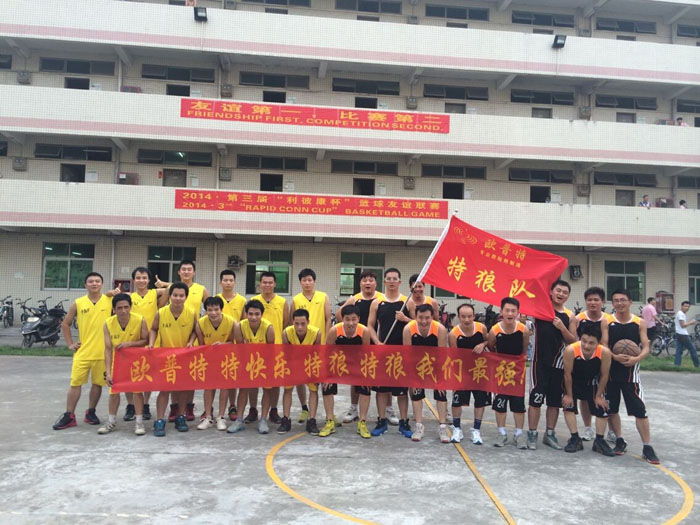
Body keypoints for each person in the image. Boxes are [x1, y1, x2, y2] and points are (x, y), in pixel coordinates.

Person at [54, 272, 116, 430]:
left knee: (97, 384)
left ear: (102, 284)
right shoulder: (78, 303)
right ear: (85, 285)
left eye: (97, 281)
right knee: (75, 383)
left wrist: (114, 293)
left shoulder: (110, 300)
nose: (94, 283)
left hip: (103, 353)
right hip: (83, 352)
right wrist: (70, 344)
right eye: (91, 281)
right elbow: (65, 324)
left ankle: (91, 412)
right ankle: (69, 415)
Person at [606, 289, 659, 464]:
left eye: (623, 300)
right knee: (612, 409)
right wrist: (614, 356)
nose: (619, 303)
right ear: (612, 303)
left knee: (640, 411)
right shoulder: (607, 321)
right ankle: (619, 440)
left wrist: (636, 359)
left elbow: (645, 346)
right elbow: (603, 345)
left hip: (631, 374)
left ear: (630, 302)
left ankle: (647, 446)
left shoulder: (639, 322)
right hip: (611, 372)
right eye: (616, 300)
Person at [155, 260, 210, 422]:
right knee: (172, 375)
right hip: (171, 338)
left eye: (189, 269)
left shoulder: (201, 289)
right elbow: (160, 306)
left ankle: (188, 407)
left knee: (188, 377)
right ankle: (174, 407)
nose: (186, 272)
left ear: (194, 272)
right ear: (179, 272)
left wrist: (202, 326)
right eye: (183, 269)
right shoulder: (171, 289)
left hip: (190, 340)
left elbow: (210, 307)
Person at [527, 280, 577, 451]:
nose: (561, 294)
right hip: (539, 363)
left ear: (568, 296)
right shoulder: (540, 309)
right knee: (535, 400)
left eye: (565, 292)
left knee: (554, 402)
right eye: (558, 290)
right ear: (551, 292)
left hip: (559, 363)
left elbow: (573, 341)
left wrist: (562, 328)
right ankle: (532, 433)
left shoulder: (570, 316)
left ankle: (550, 434)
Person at [148, 282, 197, 437]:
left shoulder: (191, 313)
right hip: (166, 358)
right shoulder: (161, 313)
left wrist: (191, 342)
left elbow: (195, 331)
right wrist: (151, 343)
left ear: (186, 297)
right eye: (175, 295)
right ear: (170, 296)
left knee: (182, 390)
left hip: (184, 357)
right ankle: (159, 420)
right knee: (164, 390)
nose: (178, 298)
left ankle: (180, 417)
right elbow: (153, 329)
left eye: (181, 295)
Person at [367, 268, 412, 438]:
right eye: (389, 279)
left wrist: (405, 319)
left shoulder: (407, 302)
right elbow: (370, 325)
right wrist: (377, 342)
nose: (392, 281)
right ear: (384, 282)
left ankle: (404, 422)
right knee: (381, 390)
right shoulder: (377, 303)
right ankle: (381, 421)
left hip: (402, 354)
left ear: (400, 282)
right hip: (383, 352)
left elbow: (418, 323)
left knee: (402, 391)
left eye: (395, 279)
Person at [337, 270, 385, 424]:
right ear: (360, 283)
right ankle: (353, 408)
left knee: (383, 378)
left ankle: (388, 410)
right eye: (365, 280)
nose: (368, 283)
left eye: (371, 280)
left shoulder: (382, 299)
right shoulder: (354, 299)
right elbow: (339, 314)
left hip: (377, 342)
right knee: (356, 377)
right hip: (357, 344)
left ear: (376, 283)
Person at [98, 294, 149, 435]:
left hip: (136, 363)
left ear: (131, 307)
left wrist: (129, 344)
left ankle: (139, 423)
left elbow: (145, 340)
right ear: (114, 309)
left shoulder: (140, 320)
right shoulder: (108, 323)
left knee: (137, 392)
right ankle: (111, 421)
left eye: (126, 307)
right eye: (119, 308)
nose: (123, 310)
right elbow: (108, 349)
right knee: (114, 392)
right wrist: (108, 372)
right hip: (118, 363)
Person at [561, 324, 615, 456]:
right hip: (573, 381)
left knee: (602, 406)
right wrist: (569, 395)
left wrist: (598, 396)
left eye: (591, 343)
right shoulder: (570, 350)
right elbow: (567, 374)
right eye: (584, 341)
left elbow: (604, 375)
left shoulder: (604, 352)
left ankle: (599, 441)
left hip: (592, 382)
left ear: (598, 343)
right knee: (568, 405)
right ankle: (575, 438)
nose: (586, 345)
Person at [324, 305, 372, 438]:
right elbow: (327, 353)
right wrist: (328, 375)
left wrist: (366, 374)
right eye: (347, 319)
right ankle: (329, 421)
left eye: (353, 319)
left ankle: (362, 422)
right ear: (342, 319)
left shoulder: (364, 331)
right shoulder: (334, 331)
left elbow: (366, 354)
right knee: (326, 385)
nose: (350, 323)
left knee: (366, 386)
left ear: (358, 319)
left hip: (357, 364)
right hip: (338, 364)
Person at [228, 299, 275, 434]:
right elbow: (240, 348)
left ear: (262, 314)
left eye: (257, 314)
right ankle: (239, 420)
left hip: (264, 363)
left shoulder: (268, 328)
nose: (253, 317)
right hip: (247, 362)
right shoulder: (240, 326)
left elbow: (271, 349)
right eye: (251, 314)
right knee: (243, 390)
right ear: (246, 314)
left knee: (267, 390)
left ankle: (263, 420)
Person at [128, 266, 168, 422]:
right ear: (133, 280)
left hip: (152, 340)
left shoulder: (154, 293)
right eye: (138, 278)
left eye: (144, 278)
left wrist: (163, 284)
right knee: (131, 375)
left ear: (149, 280)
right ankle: (131, 406)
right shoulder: (129, 297)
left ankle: (145, 405)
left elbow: (173, 288)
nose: (141, 280)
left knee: (147, 374)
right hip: (133, 340)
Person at [248, 271, 289, 425]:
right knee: (253, 381)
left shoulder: (282, 302)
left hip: (276, 349)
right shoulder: (253, 301)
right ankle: (253, 410)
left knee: (274, 381)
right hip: (256, 348)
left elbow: (286, 323)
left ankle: (273, 410)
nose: (267, 285)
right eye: (264, 282)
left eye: (270, 282)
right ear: (260, 284)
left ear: (275, 284)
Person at [191, 296, 236, 430]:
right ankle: (208, 417)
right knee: (208, 387)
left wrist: (223, 344)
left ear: (221, 309)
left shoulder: (231, 322)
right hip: (209, 359)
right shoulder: (200, 323)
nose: (213, 313)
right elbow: (201, 344)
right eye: (210, 310)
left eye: (216, 309)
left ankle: (221, 417)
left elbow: (235, 342)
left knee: (224, 387)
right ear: (205, 311)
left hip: (226, 359)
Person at [488, 297, 529, 448]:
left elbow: (524, 350)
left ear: (518, 313)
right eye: (507, 310)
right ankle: (502, 433)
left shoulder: (524, 330)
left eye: (513, 311)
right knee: (500, 404)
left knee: (518, 404)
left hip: (517, 372)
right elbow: (491, 347)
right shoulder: (494, 330)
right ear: (501, 311)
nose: (510, 313)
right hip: (500, 372)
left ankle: (519, 434)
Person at [405, 304, 448, 443]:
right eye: (420, 318)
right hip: (417, 365)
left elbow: (442, 354)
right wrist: (412, 375)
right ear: (415, 317)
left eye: (427, 318)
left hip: (436, 364)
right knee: (416, 394)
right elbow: (407, 353)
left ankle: (442, 427)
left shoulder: (440, 329)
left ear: (432, 317)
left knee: (441, 394)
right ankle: (419, 426)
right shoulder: (408, 329)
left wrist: (440, 378)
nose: (424, 321)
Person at [448, 303, 490, 444]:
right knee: (457, 401)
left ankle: (476, 430)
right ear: (458, 317)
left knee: (480, 401)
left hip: (480, 371)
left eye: (469, 316)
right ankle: (457, 428)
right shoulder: (453, 334)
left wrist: (483, 345)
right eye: (463, 316)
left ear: (474, 316)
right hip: (462, 372)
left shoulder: (481, 328)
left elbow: (489, 341)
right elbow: (454, 355)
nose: (467, 319)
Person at [574, 286, 612, 441]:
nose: (592, 303)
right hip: (584, 364)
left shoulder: (608, 319)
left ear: (602, 302)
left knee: (605, 396)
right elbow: (575, 341)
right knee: (584, 397)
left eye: (596, 300)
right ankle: (588, 428)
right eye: (589, 300)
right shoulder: (579, 319)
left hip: (603, 361)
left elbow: (606, 343)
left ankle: (610, 430)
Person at [279, 309, 322, 435]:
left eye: (303, 323)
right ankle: (286, 419)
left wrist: (316, 372)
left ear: (308, 322)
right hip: (292, 364)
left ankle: (312, 420)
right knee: (287, 390)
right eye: (296, 323)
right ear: (292, 322)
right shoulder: (286, 333)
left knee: (313, 390)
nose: (299, 327)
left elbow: (317, 354)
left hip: (310, 364)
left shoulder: (316, 333)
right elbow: (285, 353)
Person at [216, 269, 246, 422]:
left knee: (232, 377)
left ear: (234, 282)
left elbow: (243, 323)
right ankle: (210, 410)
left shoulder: (242, 301)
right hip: (217, 345)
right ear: (220, 282)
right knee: (216, 378)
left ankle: (232, 405)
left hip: (234, 345)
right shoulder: (215, 299)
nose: (228, 283)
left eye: (231, 280)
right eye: (225, 280)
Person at [674, 301, 699, 368]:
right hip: (683, 335)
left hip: (678, 334)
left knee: (679, 350)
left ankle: (677, 365)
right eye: (685, 306)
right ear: (682, 306)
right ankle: (697, 365)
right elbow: (682, 325)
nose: (687, 308)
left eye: (688, 307)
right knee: (692, 349)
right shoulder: (680, 314)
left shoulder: (681, 313)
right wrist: (691, 322)